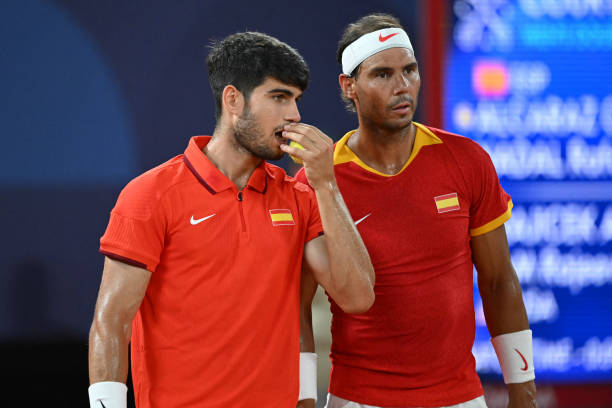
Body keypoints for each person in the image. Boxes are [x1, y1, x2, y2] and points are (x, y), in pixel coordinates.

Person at [88, 31, 375, 408]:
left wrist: (326, 183)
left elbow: (357, 297)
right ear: (233, 100)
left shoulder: (299, 198)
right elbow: (112, 322)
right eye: (279, 97)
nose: (294, 115)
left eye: (296, 99)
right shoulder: (150, 195)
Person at [297, 13, 537, 408]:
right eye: (383, 74)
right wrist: (304, 399)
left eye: (409, 70)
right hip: (358, 398)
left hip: (460, 397)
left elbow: (498, 280)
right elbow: (298, 305)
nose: (402, 86)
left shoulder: (466, 160)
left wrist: (523, 391)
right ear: (349, 86)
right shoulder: (317, 181)